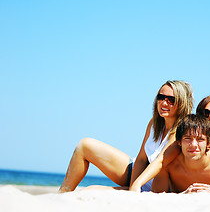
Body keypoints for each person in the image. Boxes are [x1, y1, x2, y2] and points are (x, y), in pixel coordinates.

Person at [58, 80, 193, 193]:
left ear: (181, 103)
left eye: (171, 100)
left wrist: (136, 186)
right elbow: (141, 158)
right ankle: (62, 194)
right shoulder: (154, 123)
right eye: (161, 97)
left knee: (90, 190)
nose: (164, 103)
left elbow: (160, 162)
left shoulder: (181, 131)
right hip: (135, 174)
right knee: (85, 145)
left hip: (154, 186)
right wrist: (133, 186)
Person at [152, 114, 210, 199]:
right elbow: (155, 199)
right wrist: (182, 196)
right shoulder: (168, 163)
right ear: (179, 142)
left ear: (208, 143)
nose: (193, 145)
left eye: (200, 139)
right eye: (187, 138)